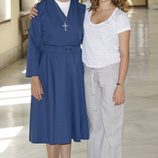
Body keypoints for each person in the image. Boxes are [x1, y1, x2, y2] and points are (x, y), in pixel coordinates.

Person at [30, 0, 131, 158]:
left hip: (85, 72)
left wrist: (120, 84)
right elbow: (34, 43)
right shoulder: (51, 9)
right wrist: (34, 76)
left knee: (101, 124)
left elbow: (123, 53)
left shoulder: (90, 11)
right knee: (86, 125)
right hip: (66, 72)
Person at [26, 0, 89, 158]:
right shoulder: (40, 9)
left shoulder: (81, 9)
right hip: (49, 71)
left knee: (67, 118)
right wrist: (34, 77)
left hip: (73, 70)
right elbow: (33, 44)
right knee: (52, 119)